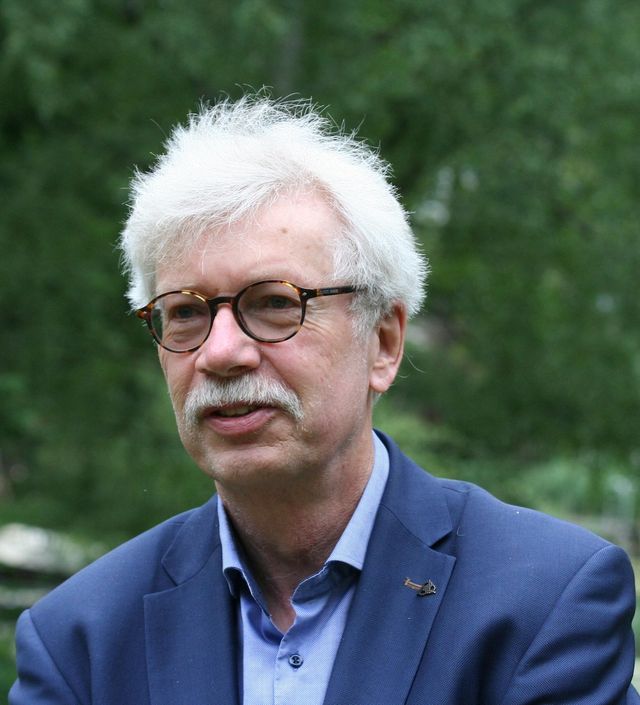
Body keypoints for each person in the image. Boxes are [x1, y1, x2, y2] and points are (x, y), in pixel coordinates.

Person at [10, 96, 639, 705]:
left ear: (383, 343)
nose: (219, 352)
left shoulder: (543, 603)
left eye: (274, 303)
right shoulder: (79, 642)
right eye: (185, 313)